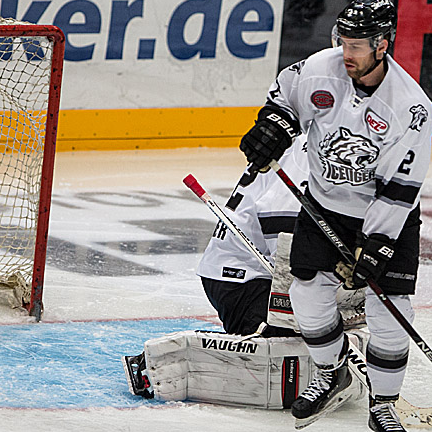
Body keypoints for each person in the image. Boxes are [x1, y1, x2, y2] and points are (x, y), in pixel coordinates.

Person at [238, 0, 432, 432]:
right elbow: (284, 98)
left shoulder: (410, 107)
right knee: (306, 295)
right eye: (343, 41)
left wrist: (377, 243)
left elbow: (400, 188)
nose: (346, 52)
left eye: (357, 45)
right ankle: (332, 372)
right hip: (324, 206)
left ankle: (383, 406)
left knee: (390, 311)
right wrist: (273, 126)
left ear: (383, 45)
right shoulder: (320, 69)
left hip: (386, 216)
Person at [122, 135, 371, 412]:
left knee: (324, 340)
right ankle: (167, 361)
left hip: (259, 265)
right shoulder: (312, 147)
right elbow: (282, 220)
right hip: (242, 276)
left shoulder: (332, 140)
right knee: (289, 357)